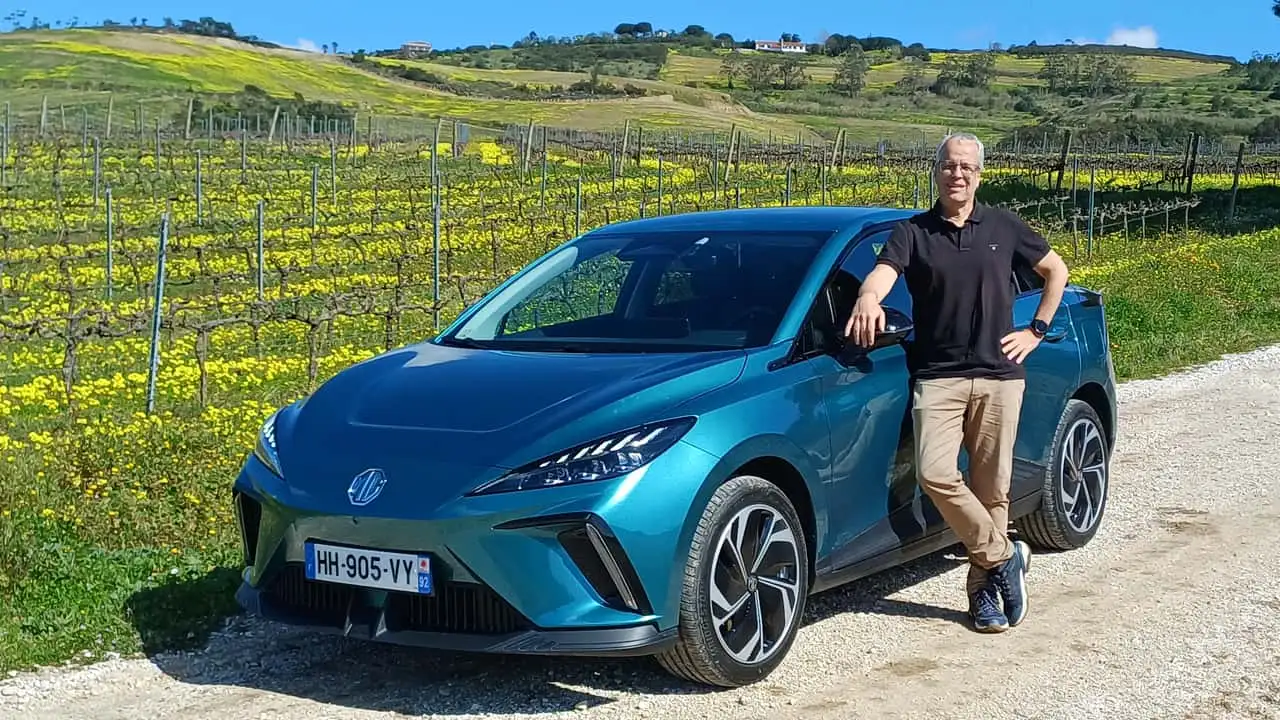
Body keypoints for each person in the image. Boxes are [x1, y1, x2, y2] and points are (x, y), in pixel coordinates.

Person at [844, 132, 1070, 633]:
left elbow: (1056, 271)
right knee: (934, 473)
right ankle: (1004, 555)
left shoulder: (1004, 226)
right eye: (949, 165)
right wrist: (867, 298)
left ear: (979, 175)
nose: (957, 174)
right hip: (938, 376)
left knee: (993, 492)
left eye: (966, 166)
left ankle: (982, 596)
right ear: (936, 171)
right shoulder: (912, 232)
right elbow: (883, 272)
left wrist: (1036, 330)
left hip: (1000, 376)